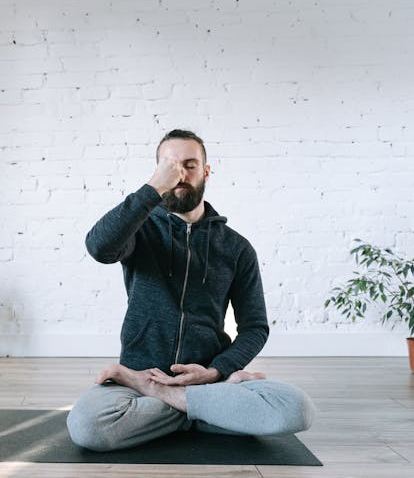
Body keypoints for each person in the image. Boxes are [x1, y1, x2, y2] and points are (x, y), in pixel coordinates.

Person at [66, 129, 315, 451]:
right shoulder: (139, 232)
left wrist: (216, 371)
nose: (180, 174)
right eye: (170, 166)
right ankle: (203, 413)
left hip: (208, 382)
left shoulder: (237, 248)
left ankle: (174, 403)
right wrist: (154, 188)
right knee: (88, 427)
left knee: (297, 408)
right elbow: (99, 248)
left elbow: (254, 328)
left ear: (207, 171)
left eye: (190, 165)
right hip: (139, 378)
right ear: (157, 172)